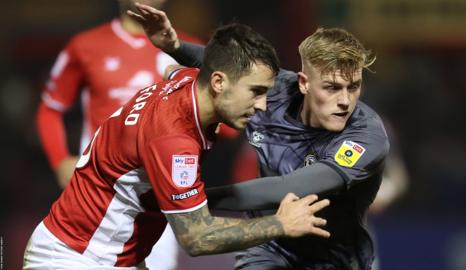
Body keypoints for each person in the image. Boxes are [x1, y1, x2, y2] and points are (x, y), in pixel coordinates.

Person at [23, 22, 331, 269]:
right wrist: (280, 224)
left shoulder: (186, 80)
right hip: (75, 258)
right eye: (256, 91)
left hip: (109, 254)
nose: (262, 105)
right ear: (219, 82)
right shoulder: (173, 141)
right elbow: (197, 238)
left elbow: (175, 69)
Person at [131, 4, 389, 269]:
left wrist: (187, 199)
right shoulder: (275, 90)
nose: (345, 101)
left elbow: (293, 187)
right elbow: (228, 68)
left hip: (336, 259)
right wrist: (174, 46)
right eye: (332, 88)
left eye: (353, 87)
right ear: (304, 83)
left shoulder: (365, 136)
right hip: (269, 244)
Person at [35, 1, 202, 268]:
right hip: (96, 194)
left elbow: (221, 116)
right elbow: (50, 109)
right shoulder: (85, 45)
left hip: (161, 201)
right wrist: (59, 161)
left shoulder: (187, 50)